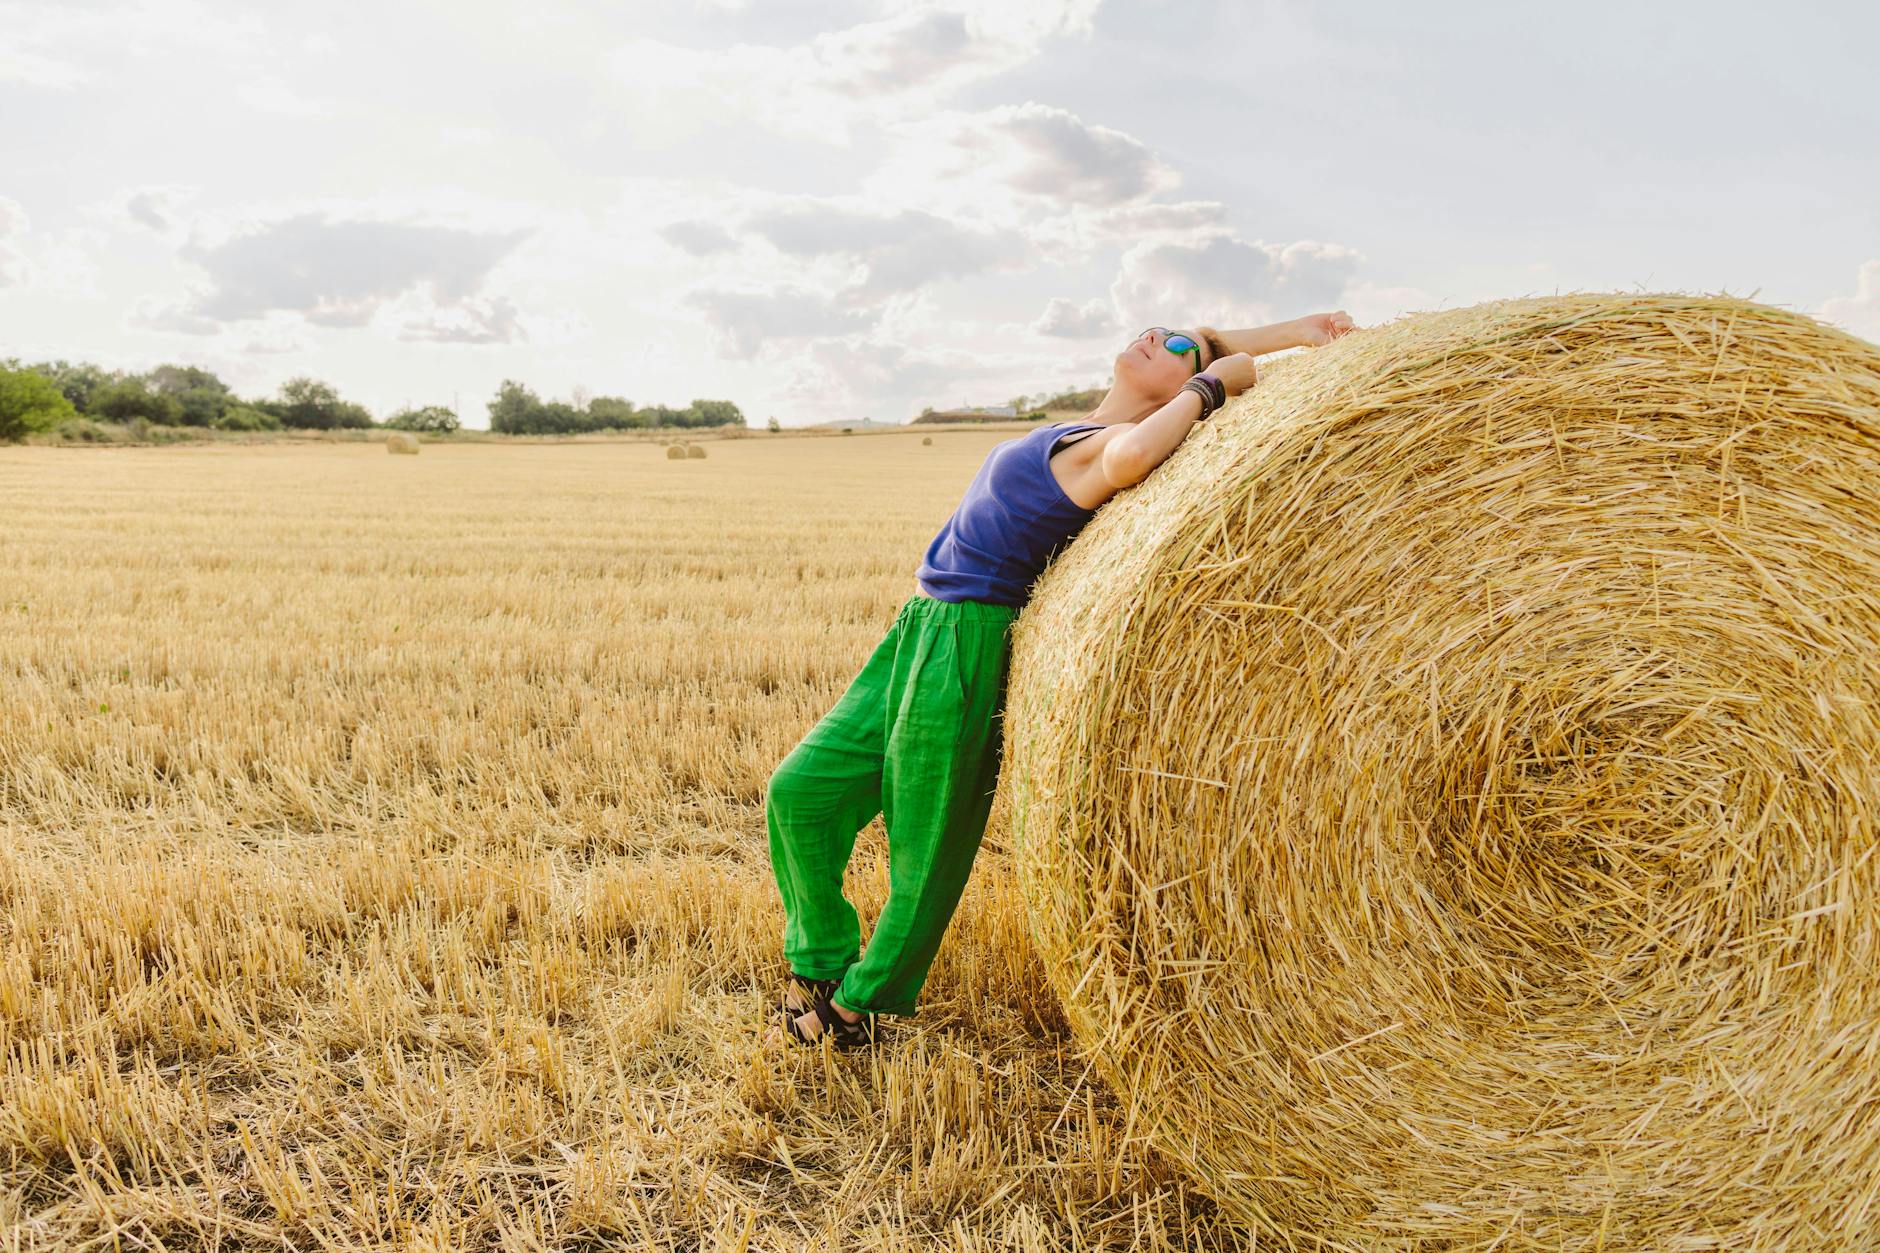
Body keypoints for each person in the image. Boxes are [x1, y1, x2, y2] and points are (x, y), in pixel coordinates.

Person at [763, 310, 1359, 1050]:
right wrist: (1301, 331)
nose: (1158, 335)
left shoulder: (1111, 444)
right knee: (800, 790)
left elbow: (1137, 456)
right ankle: (820, 957)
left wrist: (1210, 386)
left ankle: (858, 1006)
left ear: (1186, 380)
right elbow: (1209, 338)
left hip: (969, 641)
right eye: (1157, 326)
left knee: (926, 843)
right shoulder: (1081, 425)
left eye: (1176, 347)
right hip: (918, 626)